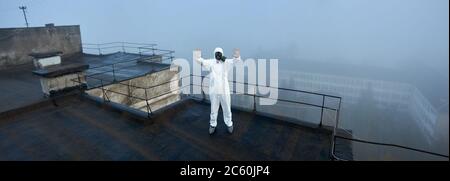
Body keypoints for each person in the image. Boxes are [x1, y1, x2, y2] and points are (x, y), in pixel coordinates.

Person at [195, 47, 241, 134]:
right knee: (213, 109)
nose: (218, 55)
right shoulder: (211, 62)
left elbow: (236, 61)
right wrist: (197, 54)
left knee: (227, 108)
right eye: (217, 53)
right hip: (214, 91)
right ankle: (213, 124)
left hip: (224, 91)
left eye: (219, 53)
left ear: (222, 54)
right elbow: (200, 61)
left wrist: (236, 54)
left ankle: (229, 123)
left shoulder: (226, 62)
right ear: (214, 54)